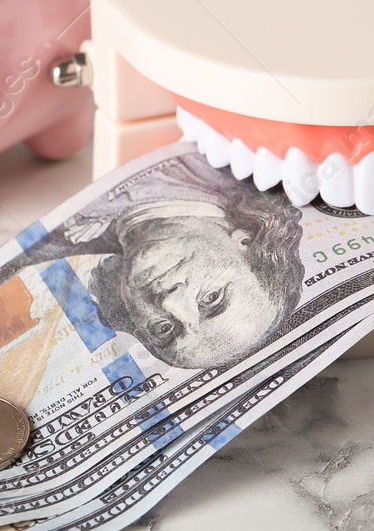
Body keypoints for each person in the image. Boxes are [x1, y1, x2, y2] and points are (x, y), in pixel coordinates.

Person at [50, 153, 305, 369]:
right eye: (212, 298)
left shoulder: (53, 242)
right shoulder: (222, 159)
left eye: (163, 329)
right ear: (247, 242)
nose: (170, 303)